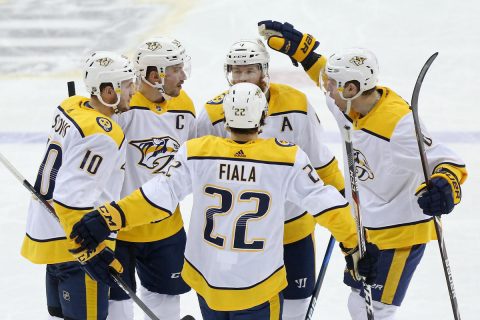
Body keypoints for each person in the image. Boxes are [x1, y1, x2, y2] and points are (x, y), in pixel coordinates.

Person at [68, 83, 379, 320]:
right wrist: (354, 243)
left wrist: (109, 217)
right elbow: (325, 202)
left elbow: (157, 198)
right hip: (259, 283)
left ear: (226, 116)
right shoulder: (286, 156)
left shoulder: (198, 151)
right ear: (263, 117)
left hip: (208, 282)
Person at [257, 20, 468, 320]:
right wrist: (303, 53)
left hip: (400, 233)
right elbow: (323, 75)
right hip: (367, 229)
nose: (325, 87)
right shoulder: (348, 104)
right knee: (358, 304)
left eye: (333, 84)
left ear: (352, 88)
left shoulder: (398, 123)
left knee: (375, 312)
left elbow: (449, 163)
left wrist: (444, 188)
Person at [196, 38, 345, 320]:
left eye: (248, 70)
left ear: (264, 70)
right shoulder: (212, 113)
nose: (242, 78)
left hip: (293, 228)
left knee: (296, 306)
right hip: (242, 237)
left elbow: (320, 160)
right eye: (236, 71)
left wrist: (342, 205)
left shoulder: (296, 104)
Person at [20, 51, 136, 319]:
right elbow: (70, 199)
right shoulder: (103, 134)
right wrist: (90, 252)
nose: (133, 91)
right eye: (127, 85)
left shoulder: (70, 106)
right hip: (77, 246)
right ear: (109, 92)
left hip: (51, 235)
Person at [108, 36, 195, 320]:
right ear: (154, 75)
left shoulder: (185, 105)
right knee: (116, 306)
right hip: (119, 228)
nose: (183, 76)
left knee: (166, 305)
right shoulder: (123, 108)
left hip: (166, 228)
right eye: (176, 69)